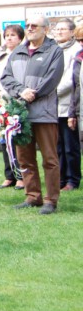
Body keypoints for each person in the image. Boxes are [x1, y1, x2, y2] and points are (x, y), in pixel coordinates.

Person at [1, 14, 65, 214]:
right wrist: (21, 91)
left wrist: (33, 93)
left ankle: (51, 200)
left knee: (49, 159)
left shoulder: (54, 51)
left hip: (44, 113)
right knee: (25, 158)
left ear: (46, 29)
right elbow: (6, 77)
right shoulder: (17, 52)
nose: (29, 28)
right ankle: (32, 196)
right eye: (28, 25)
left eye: (34, 25)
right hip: (21, 115)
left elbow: (52, 78)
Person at [0, 24, 25, 190]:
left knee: (16, 138)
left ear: (20, 38)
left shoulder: (23, 55)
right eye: (7, 35)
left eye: (13, 35)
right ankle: (9, 175)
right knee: (3, 138)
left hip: (16, 101)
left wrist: (8, 94)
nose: (9, 38)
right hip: (0, 102)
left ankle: (21, 176)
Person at [53, 19, 82, 191]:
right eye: (57, 29)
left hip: (68, 104)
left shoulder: (76, 50)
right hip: (52, 106)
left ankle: (73, 179)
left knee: (70, 146)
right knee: (57, 146)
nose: (59, 32)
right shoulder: (53, 49)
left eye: (63, 29)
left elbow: (73, 79)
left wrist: (52, 92)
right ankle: (61, 178)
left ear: (72, 32)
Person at [68, 25, 83, 189]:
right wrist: (72, 113)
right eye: (79, 40)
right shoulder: (78, 57)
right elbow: (75, 87)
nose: (81, 43)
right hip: (80, 109)